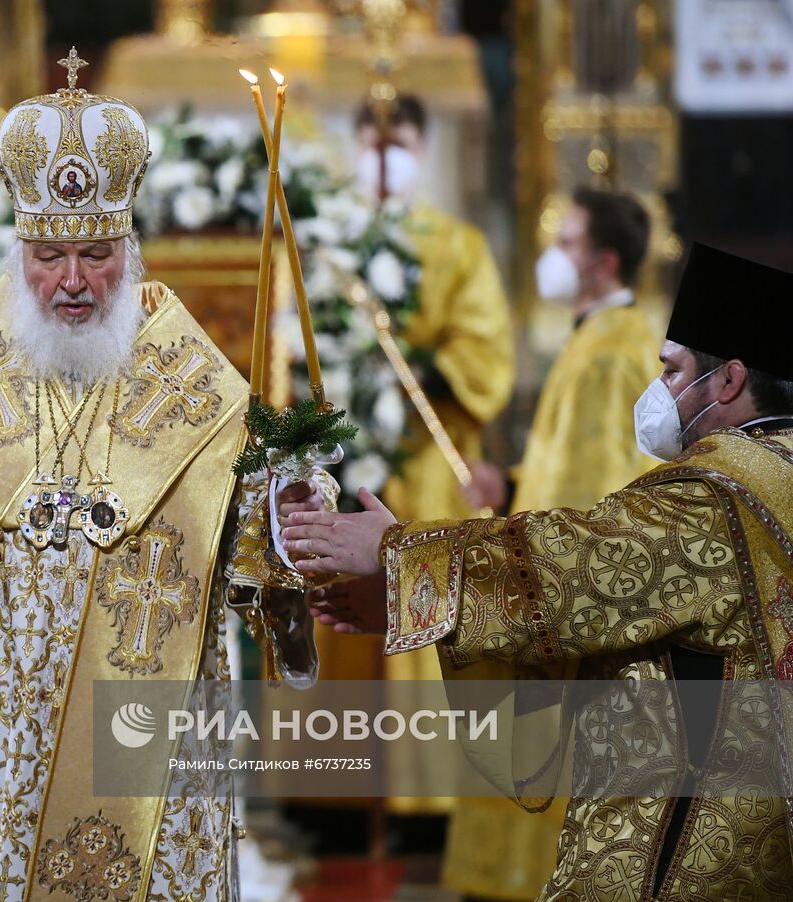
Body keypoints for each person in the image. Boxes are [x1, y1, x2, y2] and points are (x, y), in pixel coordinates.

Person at [0, 51, 331, 901]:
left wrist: (289, 515)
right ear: (19, 249)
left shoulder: (197, 388)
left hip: (144, 752)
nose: (73, 281)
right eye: (48, 255)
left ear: (129, 249)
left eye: (96, 254)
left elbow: (262, 552)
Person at [290, 243, 793, 898]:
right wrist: (409, 595)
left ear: (727, 382)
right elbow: (631, 620)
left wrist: (400, 553)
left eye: (672, 372)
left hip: (692, 856)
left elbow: (571, 569)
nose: (659, 393)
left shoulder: (715, 498)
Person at [445, 189, 661, 900]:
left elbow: (595, 491)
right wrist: (508, 488)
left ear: (602, 261)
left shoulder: (610, 353)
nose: (552, 257)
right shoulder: (601, 336)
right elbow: (566, 468)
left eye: (566, 243)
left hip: (561, 595)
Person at [348, 93, 516, 821]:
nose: (385, 156)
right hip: (349, 464)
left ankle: (432, 801)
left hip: (432, 465)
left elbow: (486, 355)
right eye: (373, 141)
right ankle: (339, 799)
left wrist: (412, 362)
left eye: (401, 142)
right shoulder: (332, 241)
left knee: (425, 613)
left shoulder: (457, 245)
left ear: (421, 149)